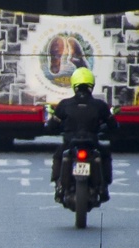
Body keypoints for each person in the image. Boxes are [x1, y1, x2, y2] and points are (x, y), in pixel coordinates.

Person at [48, 66, 116, 200]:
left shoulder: (64, 104)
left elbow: (51, 126)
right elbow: (113, 125)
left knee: (57, 155)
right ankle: (104, 187)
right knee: (106, 155)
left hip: (70, 143)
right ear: (92, 84)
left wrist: (54, 126)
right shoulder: (100, 105)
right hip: (92, 143)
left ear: (74, 84)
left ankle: (59, 186)